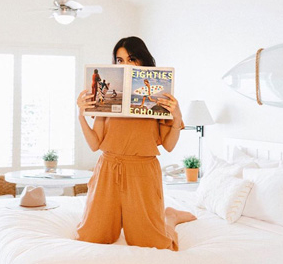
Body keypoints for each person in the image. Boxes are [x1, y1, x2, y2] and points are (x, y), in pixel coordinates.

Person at [76, 36, 196, 251]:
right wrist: (82, 115)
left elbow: (168, 146)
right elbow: (95, 145)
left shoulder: (159, 97)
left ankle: (170, 217)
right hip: (108, 169)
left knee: (154, 243)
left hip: (143, 170)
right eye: (120, 61)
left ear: (142, 61)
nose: (126, 65)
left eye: (131, 59)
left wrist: (176, 117)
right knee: (90, 237)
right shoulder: (107, 97)